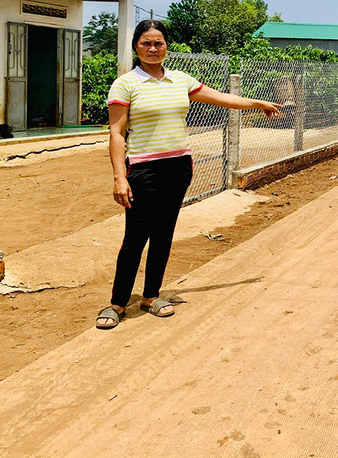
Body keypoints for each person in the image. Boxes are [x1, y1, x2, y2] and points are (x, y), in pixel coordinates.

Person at [96, 20, 281, 329]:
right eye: (146, 43)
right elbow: (117, 133)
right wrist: (119, 177)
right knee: (135, 237)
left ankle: (151, 296)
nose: (153, 48)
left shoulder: (180, 80)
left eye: (158, 43)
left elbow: (220, 97)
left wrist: (255, 103)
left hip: (178, 167)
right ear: (136, 47)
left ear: (166, 47)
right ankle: (117, 302)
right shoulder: (126, 84)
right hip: (142, 169)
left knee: (164, 234)